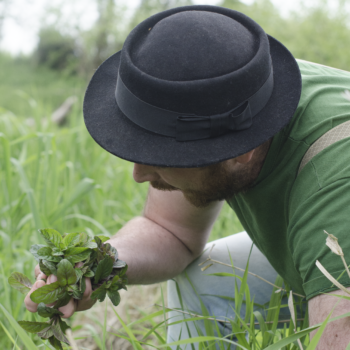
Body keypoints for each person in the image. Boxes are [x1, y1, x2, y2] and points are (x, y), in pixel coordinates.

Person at [24, 5, 350, 349]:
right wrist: (95, 263)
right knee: (205, 281)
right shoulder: (231, 92)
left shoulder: (335, 190)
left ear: (240, 150)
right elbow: (169, 231)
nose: (139, 174)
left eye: (161, 158)